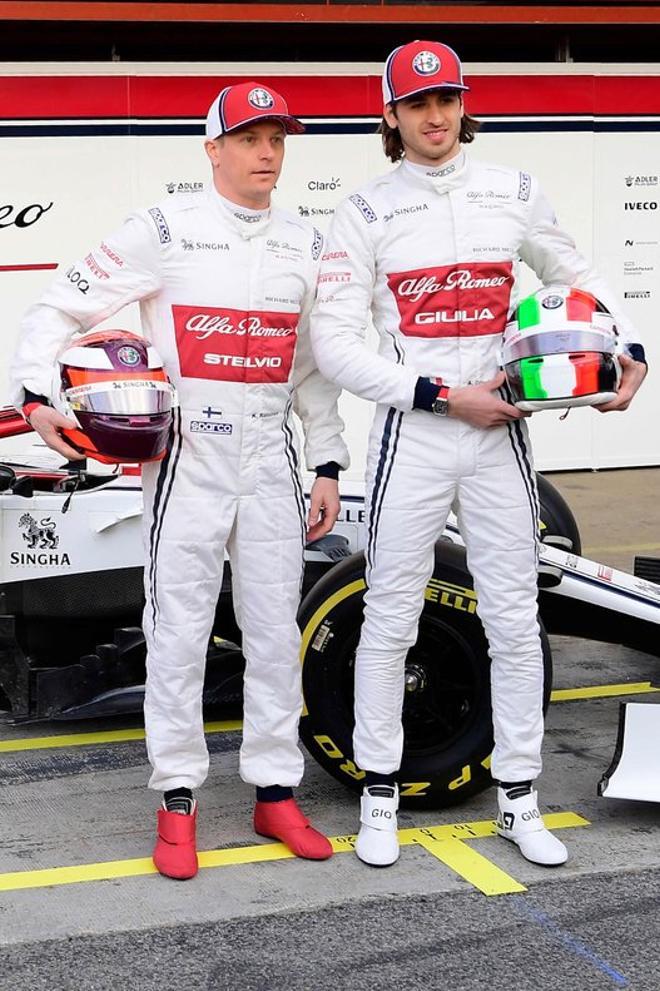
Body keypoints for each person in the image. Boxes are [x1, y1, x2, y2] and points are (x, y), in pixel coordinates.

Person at [311, 40, 647, 868]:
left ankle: (520, 798)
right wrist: (437, 394)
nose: (435, 116)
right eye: (417, 104)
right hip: (416, 433)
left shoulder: (514, 191)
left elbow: (576, 274)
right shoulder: (364, 211)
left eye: (448, 100)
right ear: (389, 116)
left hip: (501, 435)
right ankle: (381, 791)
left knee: (515, 621)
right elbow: (335, 344)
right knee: (389, 620)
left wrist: (625, 345)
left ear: (465, 103)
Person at [10, 81, 349, 880]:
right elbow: (56, 308)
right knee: (179, 634)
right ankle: (177, 802)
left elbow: (311, 372)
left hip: (270, 463)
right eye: (252, 139)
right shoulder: (165, 230)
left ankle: (274, 792)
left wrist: (328, 460)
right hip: (186, 464)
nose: (268, 154)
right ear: (214, 149)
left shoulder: (306, 241)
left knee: (273, 636)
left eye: (279, 140)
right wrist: (35, 396)